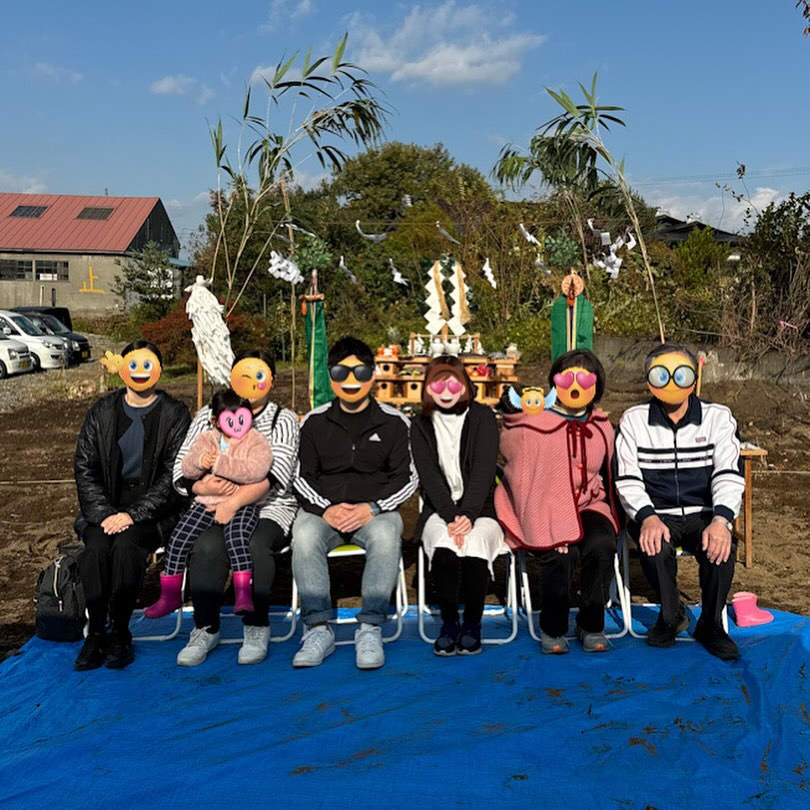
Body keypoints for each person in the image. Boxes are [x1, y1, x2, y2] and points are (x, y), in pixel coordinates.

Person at [291, 336, 418, 670]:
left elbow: (408, 479)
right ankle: (318, 628)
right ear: (330, 377)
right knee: (303, 533)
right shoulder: (314, 422)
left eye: (360, 372)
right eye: (341, 372)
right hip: (324, 511)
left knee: (388, 532)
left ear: (372, 376)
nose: (351, 381)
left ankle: (371, 627)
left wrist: (372, 508)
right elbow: (301, 476)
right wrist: (326, 509)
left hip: (374, 511)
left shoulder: (394, 423)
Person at [615, 343, 744, 660]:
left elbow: (728, 473)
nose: (671, 383)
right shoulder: (633, 421)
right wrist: (646, 516)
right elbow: (627, 478)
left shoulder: (718, 418)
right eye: (661, 375)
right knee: (653, 544)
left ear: (693, 377)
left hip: (704, 513)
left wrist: (721, 520)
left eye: (680, 373)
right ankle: (670, 616)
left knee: (721, 547)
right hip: (658, 513)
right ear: (649, 381)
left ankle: (711, 625)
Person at [173, 350, 299, 666]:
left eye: (259, 374)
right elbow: (182, 466)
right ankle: (205, 626)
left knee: (256, 544)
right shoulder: (208, 414)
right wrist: (200, 486)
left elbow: (274, 475)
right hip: (212, 504)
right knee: (206, 546)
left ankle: (256, 625)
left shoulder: (281, 418)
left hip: (268, 507)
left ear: (272, 380)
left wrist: (234, 501)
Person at [73, 341, 191, 670]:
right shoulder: (101, 412)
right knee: (95, 548)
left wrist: (133, 514)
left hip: (152, 511)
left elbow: (174, 475)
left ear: (160, 369)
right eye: (133, 365)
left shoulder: (175, 414)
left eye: (148, 365)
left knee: (126, 547)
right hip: (105, 507)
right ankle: (95, 632)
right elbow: (85, 467)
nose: (140, 373)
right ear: (122, 369)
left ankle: (121, 631)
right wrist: (105, 513)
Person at [495, 349, 620, 654]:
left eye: (584, 378)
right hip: (545, 504)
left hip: (588, 503)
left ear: (596, 385)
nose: (574, 384)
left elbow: (612, 472)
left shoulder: (602, 425)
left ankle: (591, 624)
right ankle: (553, 627)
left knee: (602, 543)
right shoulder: (534, 422)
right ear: (554, 382)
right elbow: (522, 472)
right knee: (558, 554)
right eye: (566, 376)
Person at [144, 388, 272, 619]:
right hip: (206, 501)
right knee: (179, 537)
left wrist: (221, 464)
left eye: (243, 418)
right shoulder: (206, 439)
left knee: (237, 538)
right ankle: (170, 594)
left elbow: (257, 470)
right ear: (215, 421)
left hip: (242, 504)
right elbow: (186, 467)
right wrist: (200, 462)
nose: (237, 426)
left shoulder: (255, 441)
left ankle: (243, 593)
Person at [410, 355, 503, 656]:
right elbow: (429, 476)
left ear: (465, 385)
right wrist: (452, 517)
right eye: (438, 382)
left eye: (453, 382)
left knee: (475, 543)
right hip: (439, 509)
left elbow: (483, 472)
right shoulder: (420, 424)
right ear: (427, 387)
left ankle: (473, 623)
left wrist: (468, 515)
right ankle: (449, 621)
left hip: (482, 508)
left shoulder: (483, 417)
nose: (446, 389)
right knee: (444, 544)